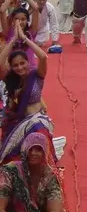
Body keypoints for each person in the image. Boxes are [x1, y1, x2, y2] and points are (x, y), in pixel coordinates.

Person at [0, 132, 80, 212]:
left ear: (45, 152)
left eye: (38, 149)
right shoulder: (10, 171)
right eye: (30, 149)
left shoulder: (50, 176)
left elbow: (54, 211)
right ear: (24, 149)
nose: (33, 153)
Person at [0, 25, 51, 165]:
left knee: (35, 155)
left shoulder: (37, 76)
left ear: (28, 62)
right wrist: (13, 40)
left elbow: (42, 56)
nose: (20, 67)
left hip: (36, 122)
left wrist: (24, 39)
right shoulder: (11, 79)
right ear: (11, 67)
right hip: (16, 123)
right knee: (13, 162)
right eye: (15, 65)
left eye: (23, 63)